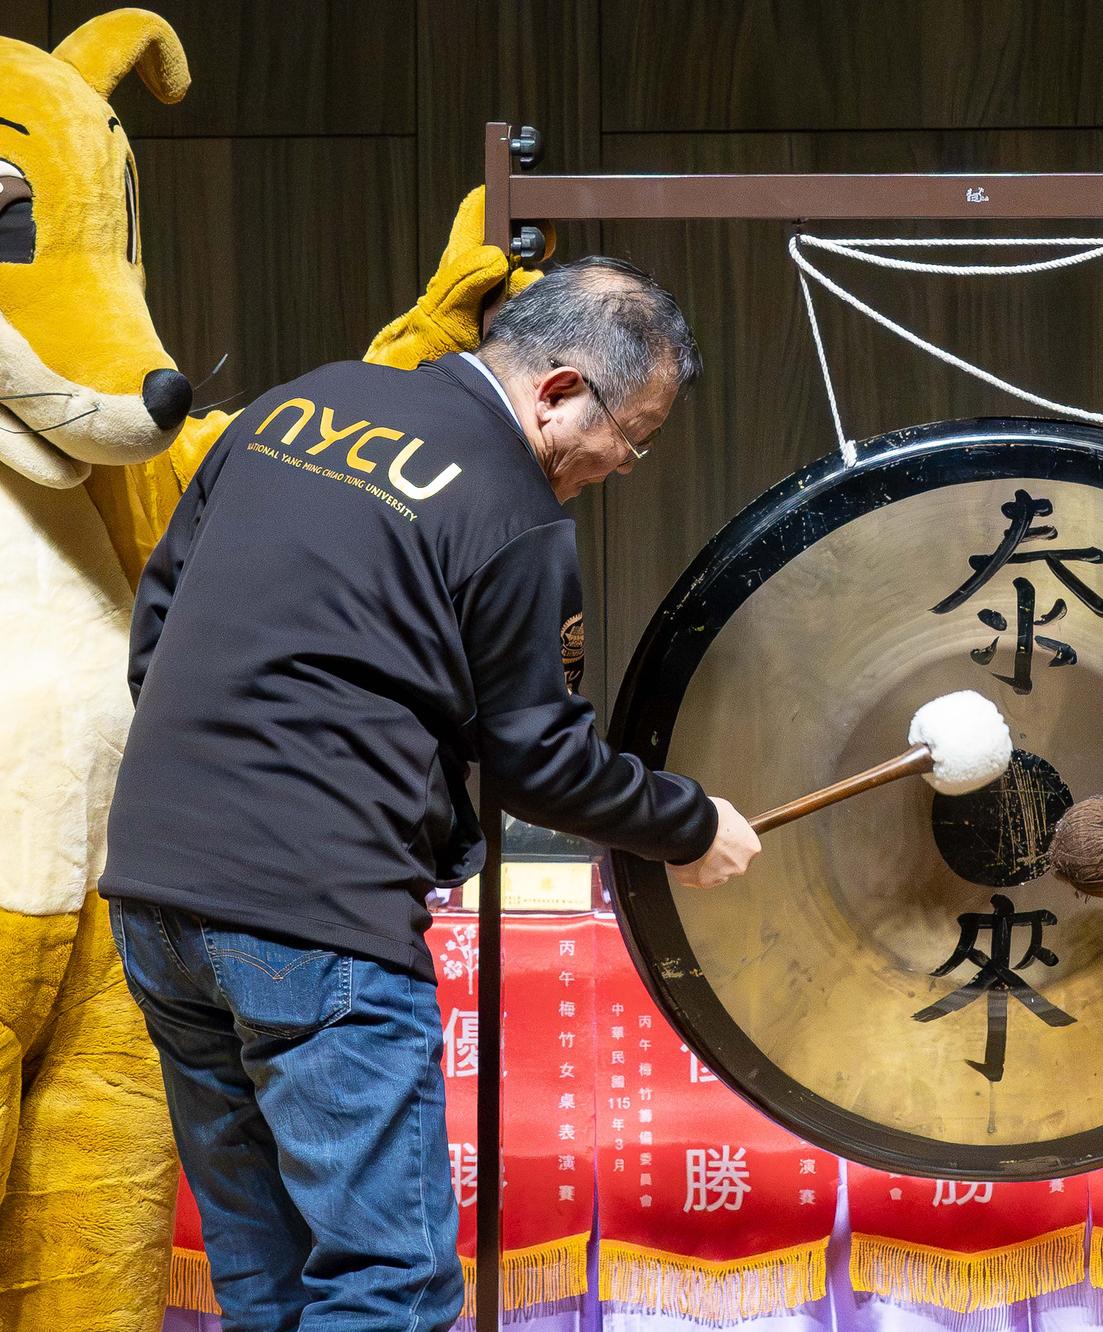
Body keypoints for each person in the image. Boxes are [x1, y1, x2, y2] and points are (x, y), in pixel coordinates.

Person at [100, 257, 760, 1329]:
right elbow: (536, 762)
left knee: (266, 1270)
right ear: (558, 392)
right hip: (312, 918)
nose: (624, 463)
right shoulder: (512, 510)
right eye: (630, 435)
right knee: (388, 1282)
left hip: (155, 898)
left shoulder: (300, 402)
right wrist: (690, 823)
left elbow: (158, 625)